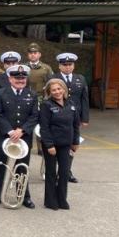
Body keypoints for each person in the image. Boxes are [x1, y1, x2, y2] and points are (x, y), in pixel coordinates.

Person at [0, 65, 38, 209]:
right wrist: (11, 132)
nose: (20, 80)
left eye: (23, 78)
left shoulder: (32, 95)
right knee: (1, 166)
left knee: (23, 167)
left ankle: (24, 196)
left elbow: (35, 116)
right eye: (17, 78)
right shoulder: (0, 93)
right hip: (5, 137)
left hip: (24, 138)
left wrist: (22, 131)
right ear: (10, 79)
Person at [39, 78, 80, 210]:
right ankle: (51, 201)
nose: (57, 92)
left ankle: (62, 199)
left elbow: (75, 125)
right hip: (51, 145)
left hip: (66, 144)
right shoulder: (46, 105)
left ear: (64, 89)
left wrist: (76, 142)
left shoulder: (71, 104)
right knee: (51, 173)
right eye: (54, 90)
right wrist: (49, 145)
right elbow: (44, 127)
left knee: (63, 173)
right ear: (49, 92)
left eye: (59, 89)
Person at [49, 52, 88, 183]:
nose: (67, 67)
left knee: (71, 146)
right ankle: (51, 172)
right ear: (59, 66)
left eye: (70, 64)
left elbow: (84, 100)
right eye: (64, 65)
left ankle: (67, 172)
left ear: (73, 66)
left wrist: (84, 118)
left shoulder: (80, 79)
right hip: (55, 117)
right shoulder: (52, 78)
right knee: (54, 145)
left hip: (73, 118)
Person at [25, 43, 53, 156]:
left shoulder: (46, 68)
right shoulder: (24, 67)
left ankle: (41, 147)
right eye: (31, 53)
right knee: (26, 121)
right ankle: (26, 145)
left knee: (41, 123)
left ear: (39, 54)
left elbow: (50, 84)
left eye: (35, 53)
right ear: (28, 55)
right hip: (26, 97)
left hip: (41, 98)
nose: (33, 55)